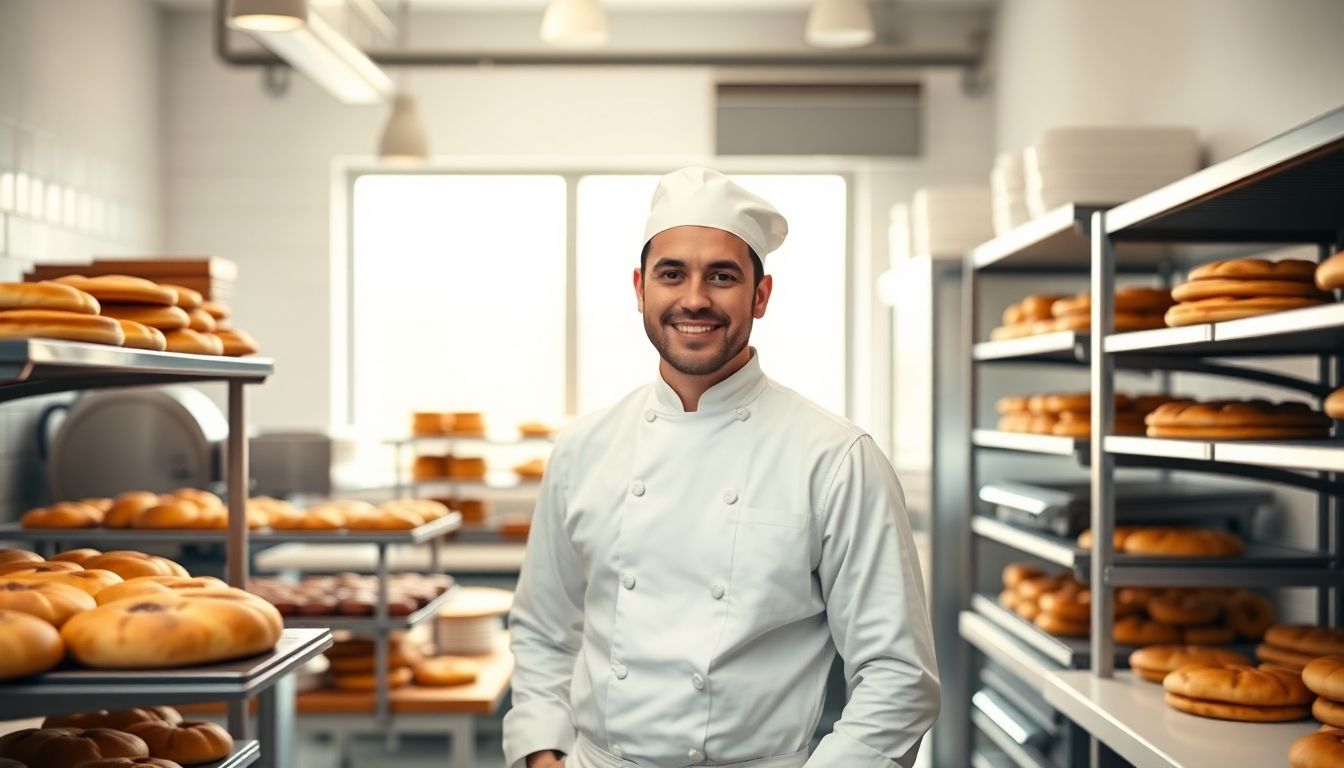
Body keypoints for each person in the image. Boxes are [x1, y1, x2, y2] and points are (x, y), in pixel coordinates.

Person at [503, 167, 939, 768]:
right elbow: (543, 631)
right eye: (672, 273)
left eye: (723, 276)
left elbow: (898, 676)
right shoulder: (583, 449)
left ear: (760, 295)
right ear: (640, 289)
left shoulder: (835, 458)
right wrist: (542, 754)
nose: (695, 299)